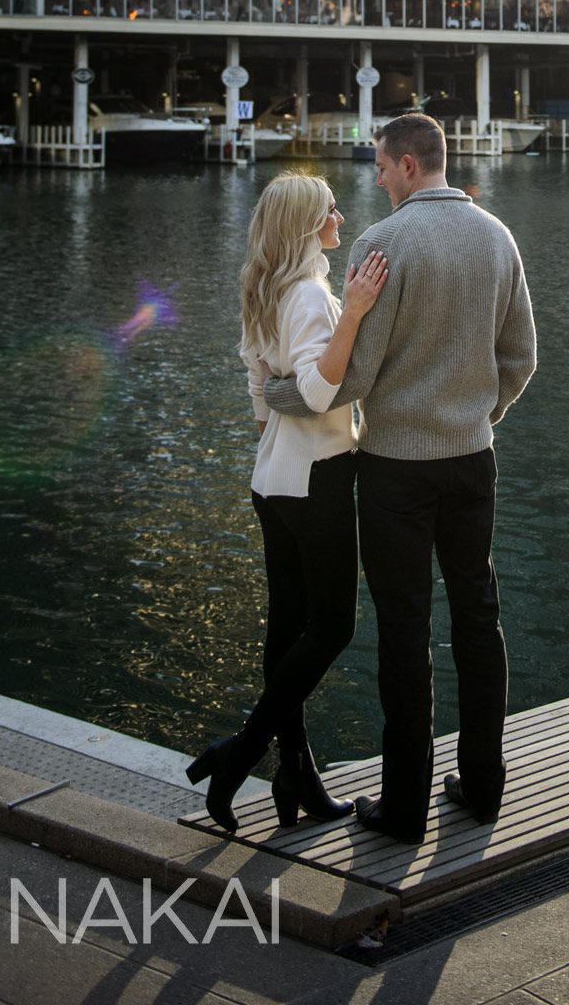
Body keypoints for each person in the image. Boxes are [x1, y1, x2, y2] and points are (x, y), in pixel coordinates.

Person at [263, 112, 536, 844]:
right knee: (478, 617)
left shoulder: (382, 244)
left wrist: (274, 393)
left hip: (393, 470)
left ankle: (405, 808)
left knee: (404, 630)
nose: (377, 178)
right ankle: (482, 786)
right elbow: (521, 358)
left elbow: (350, 377)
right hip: (472, 458)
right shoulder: (498, 236)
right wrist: (478, 417)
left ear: (408, 165)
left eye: (382, 166)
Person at [185, 173, 389, 835]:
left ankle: (295, 777)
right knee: (332, 628)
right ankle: (240, 754)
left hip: (272, 478)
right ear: (307, 224)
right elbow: (322, 392)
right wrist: (354, 312)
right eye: (328, 207)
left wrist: (282, 395)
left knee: (288, 630)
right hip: (316, 478)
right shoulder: (309, 296)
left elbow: (261, 397)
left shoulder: (266, 291)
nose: (338, 213)